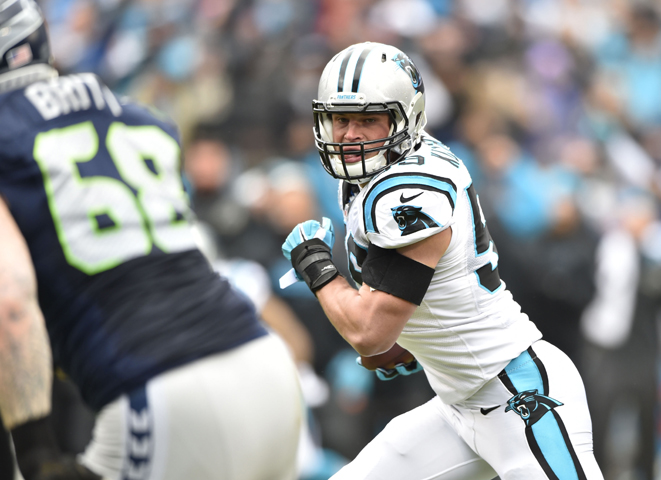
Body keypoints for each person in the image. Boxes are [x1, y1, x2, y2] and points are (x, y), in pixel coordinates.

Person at [0, 1, 303, 479]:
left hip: (162, 392)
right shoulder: (139, 118)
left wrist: (34, 452)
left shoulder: (9, 140)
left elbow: (10, 301)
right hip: (264, 363)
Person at [281, 41, 604, 480]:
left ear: (404, 118)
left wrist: (316, 265)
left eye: (367, 119)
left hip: (519, 392)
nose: (350, 134)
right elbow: (400, 316)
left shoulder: (408, 192)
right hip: (459, 404)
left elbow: (368, 332)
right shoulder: (377, 175)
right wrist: (415, 339)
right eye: (340, 119)